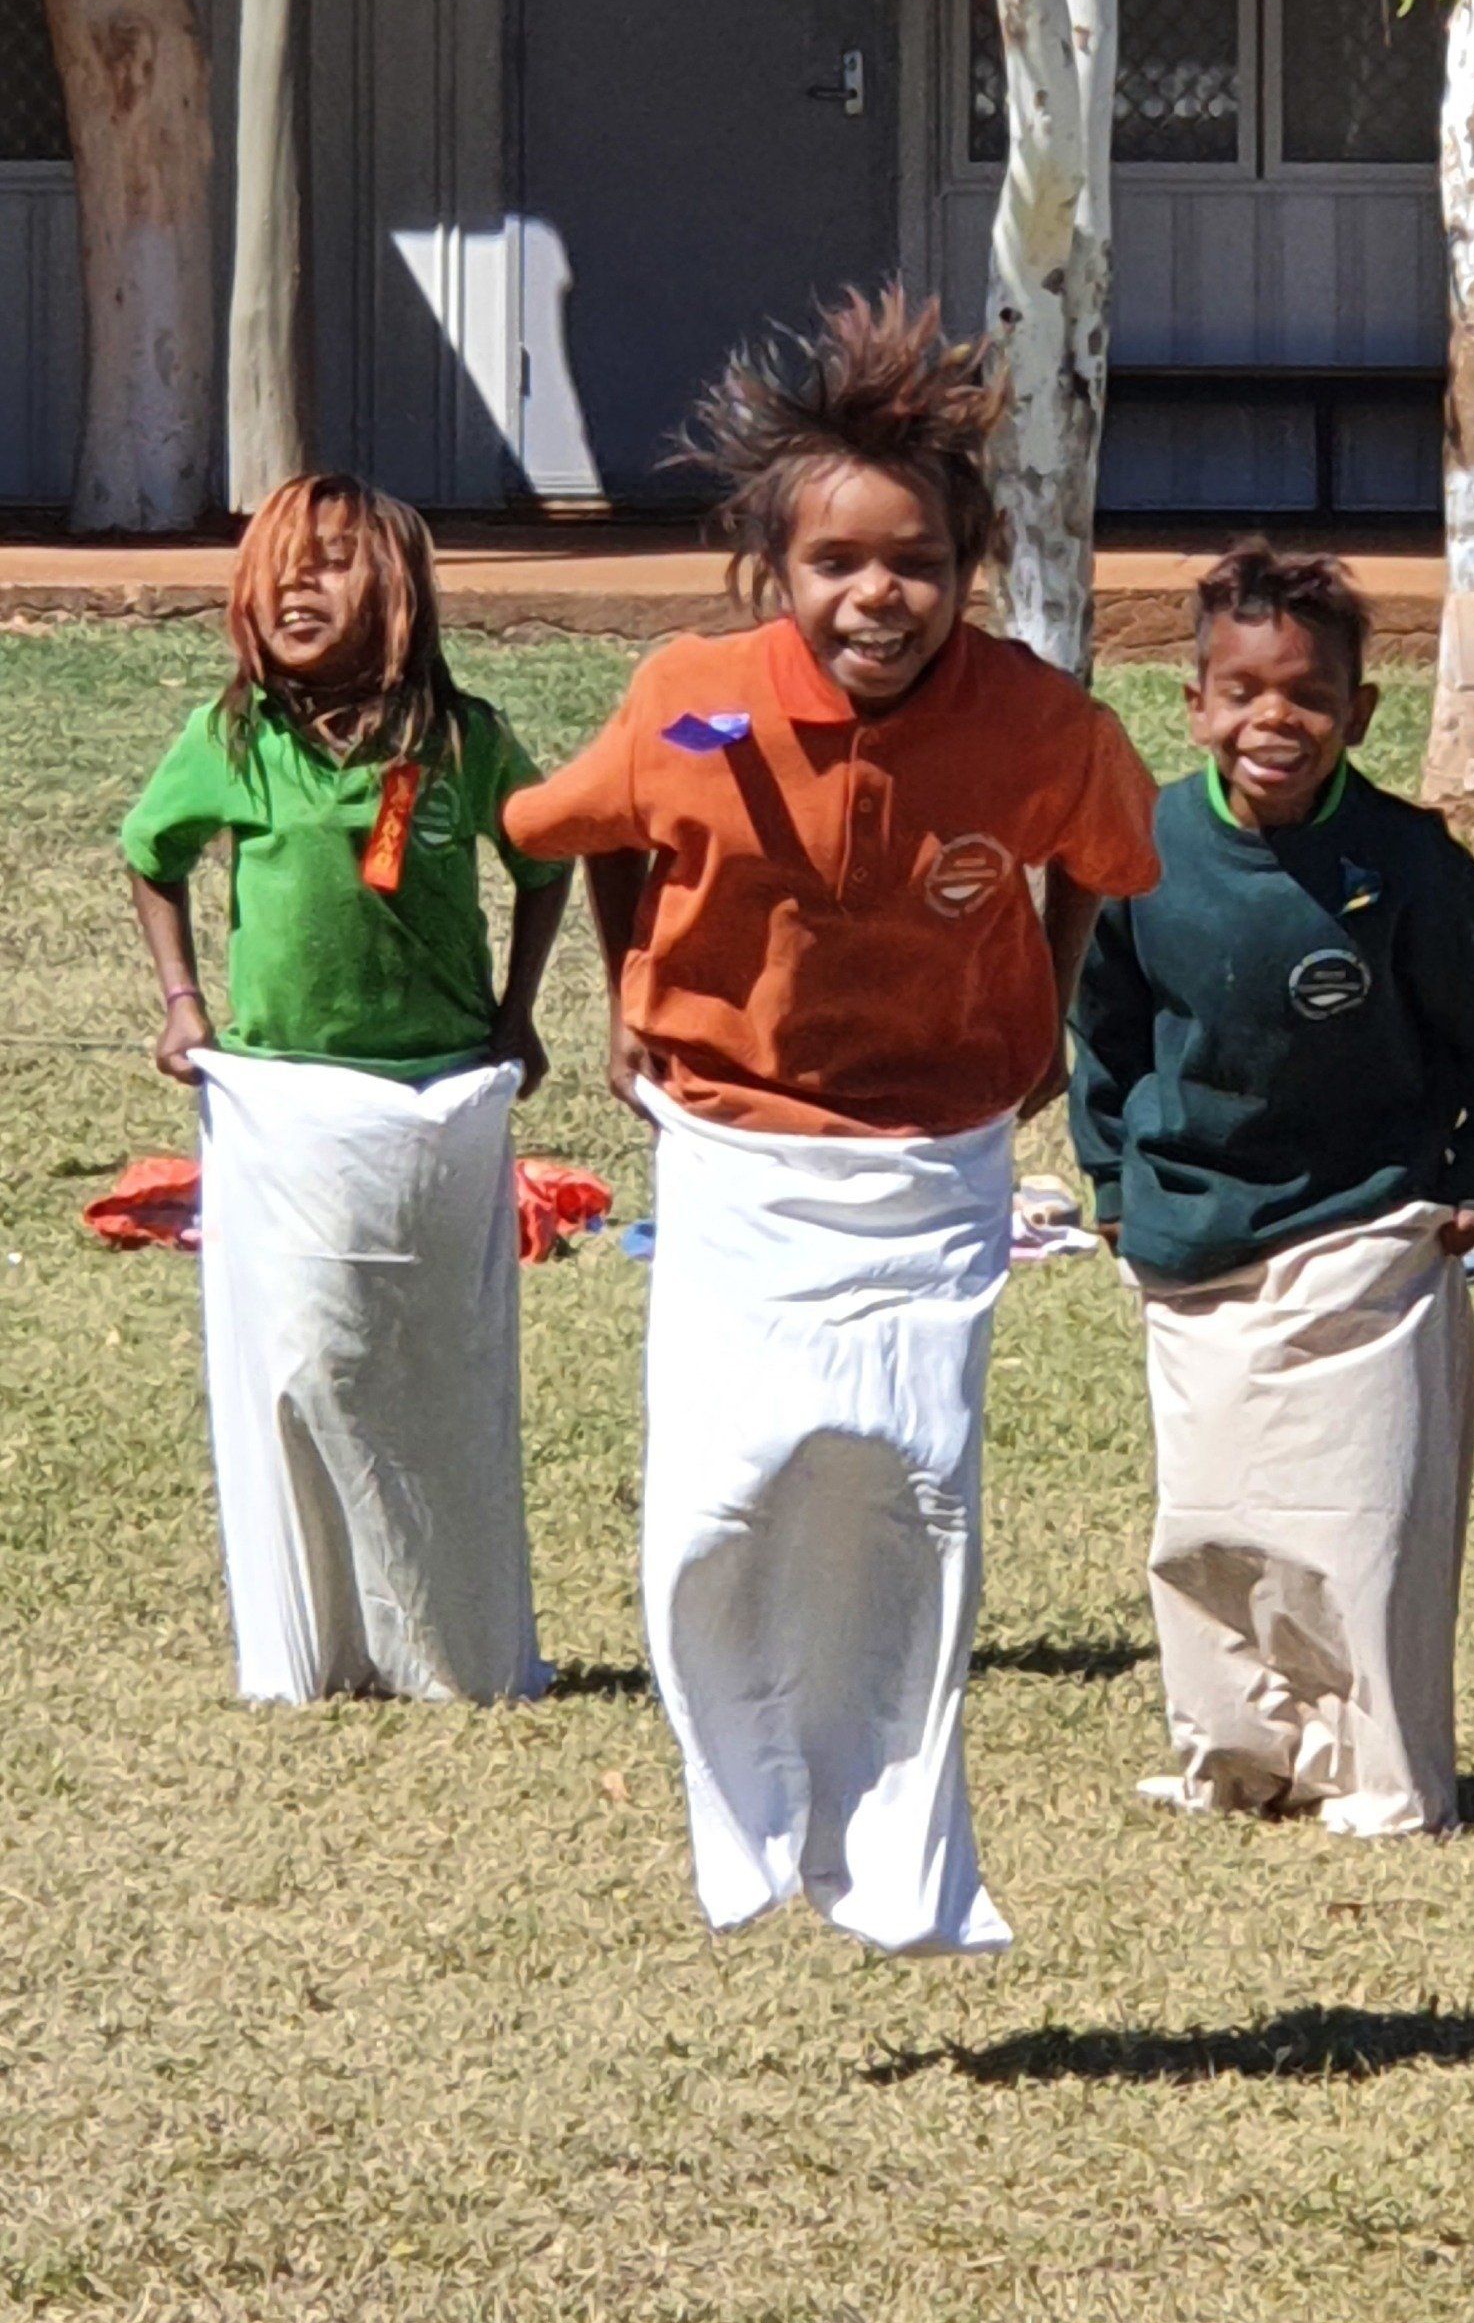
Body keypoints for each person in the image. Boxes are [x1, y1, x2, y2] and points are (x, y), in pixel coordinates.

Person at [502, 289, 1160, 1953]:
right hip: (736, 1158)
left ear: (971, 558)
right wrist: (629, 998)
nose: (880, 597)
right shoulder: (689, 696)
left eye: (920, 563)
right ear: (776, 571)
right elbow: (574, 827)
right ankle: (743, 1823)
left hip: (932, 1166)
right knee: (726, 1500)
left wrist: (1041, 1022)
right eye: (838, 564)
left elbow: (1103, 858)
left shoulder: (1033, 719)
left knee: (913, 1488)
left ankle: (895, 1862)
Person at [1069, 545, 1474, 1836]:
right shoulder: (1145, 847)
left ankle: (1389, 1783)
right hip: (1193, 1232)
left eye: (1308, 697)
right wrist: (1113, 1175)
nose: (1272, 722)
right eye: (1240, 692)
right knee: (1212, 1521)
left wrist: (1473, 1179)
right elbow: (1104, 1030)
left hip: (1366, 1225)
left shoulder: (1405, 863)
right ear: (1193, 703)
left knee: (1358, 1526)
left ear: (1360, 712)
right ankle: (1240, 1757)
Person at [122, 474, 570, 1706]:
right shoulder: (232, 741)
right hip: (285, 1107)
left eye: (329, 563)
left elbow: (544, 861)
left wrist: (518, 1015)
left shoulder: (461, 740)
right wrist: (183, 1004)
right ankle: (321, 1639)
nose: (295, 588)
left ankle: (447, 1634)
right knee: (309, 1358)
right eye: (275, 568)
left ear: (400, 593)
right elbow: (149, 854)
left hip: (434, 1101)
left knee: (428, 1361)